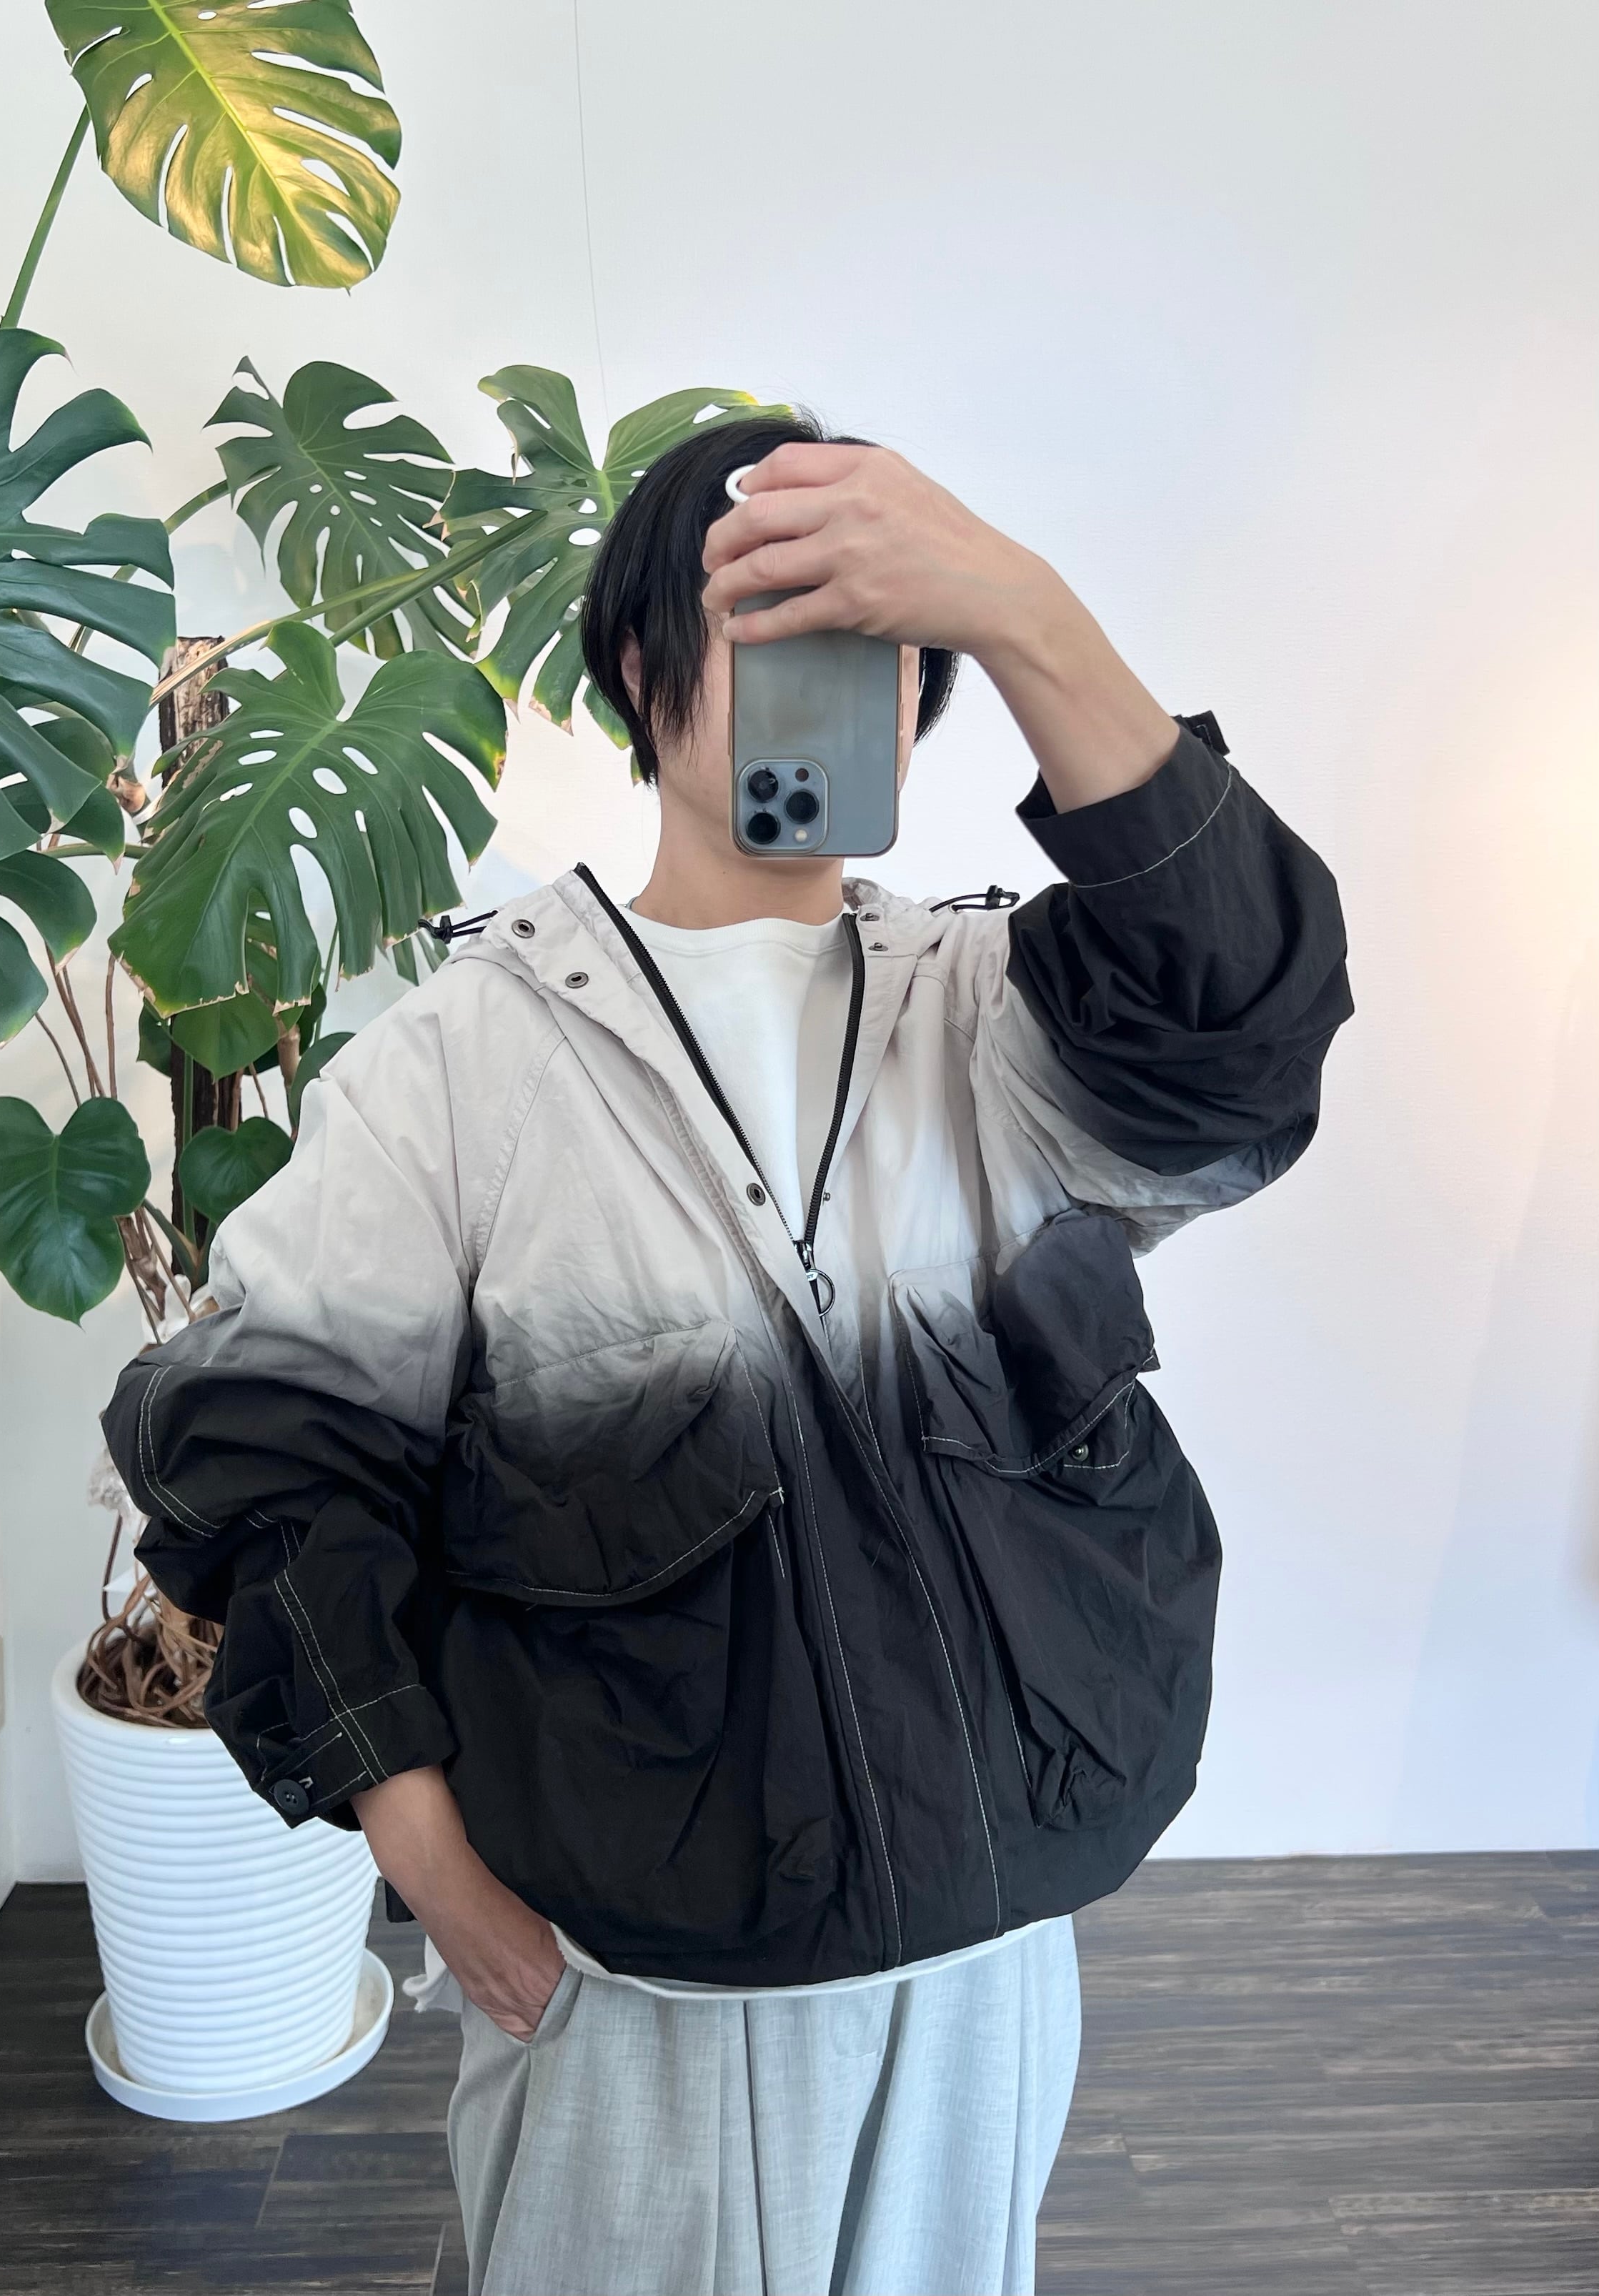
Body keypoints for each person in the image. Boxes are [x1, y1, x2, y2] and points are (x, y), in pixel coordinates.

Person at [104, 412, 1350, 2296]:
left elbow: (1239, 1022)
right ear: (640, 662)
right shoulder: (473, 1051)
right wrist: (426, 1854)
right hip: (637, 1990)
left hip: (984, 1963)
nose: (835, 689)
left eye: (883, 643)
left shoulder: (996, 1018)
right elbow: (277, 1457)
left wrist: (1024, 610)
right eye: (775, 625)